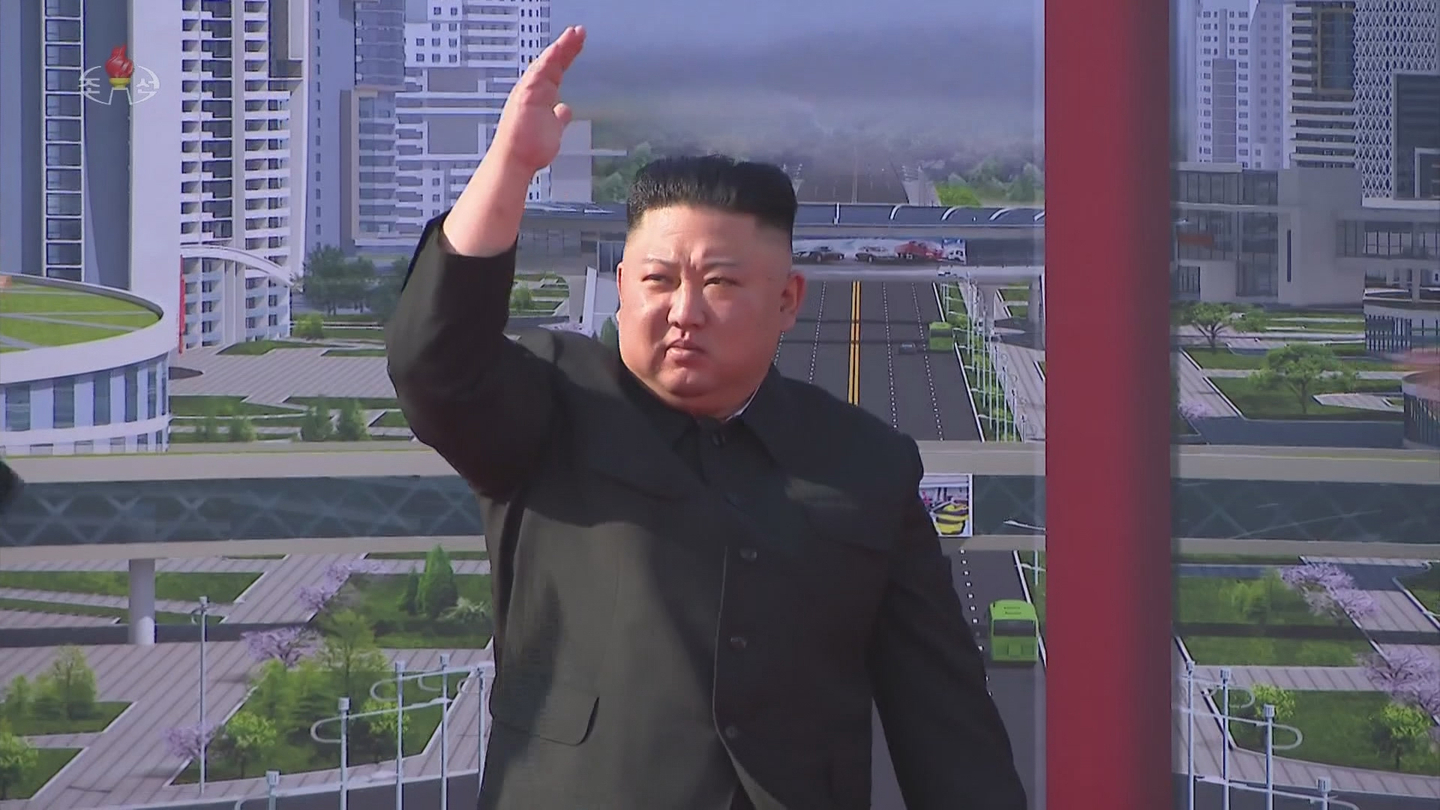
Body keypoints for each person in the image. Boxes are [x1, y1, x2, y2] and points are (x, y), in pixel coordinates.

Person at [386, 25, 1027, 810]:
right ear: (621, 285)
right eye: (658, 279)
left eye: (720, 283)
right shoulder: (550, 409)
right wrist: (511, 168)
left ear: (787, 299)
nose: (684, 311)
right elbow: (431, 363)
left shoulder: (867, 464)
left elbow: (945, 726)